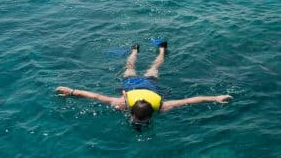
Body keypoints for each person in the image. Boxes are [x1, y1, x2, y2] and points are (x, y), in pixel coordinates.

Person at [56, 41, 232, 127]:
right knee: (137, 67)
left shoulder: (127, 104)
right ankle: (159, 49)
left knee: (140, 66)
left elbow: (95, 96)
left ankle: (139, 50)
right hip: (135, 83)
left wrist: (72, 91)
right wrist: (215, 97)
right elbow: (192, 100)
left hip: (145, 83)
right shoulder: (160, 107)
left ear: (132, 112)